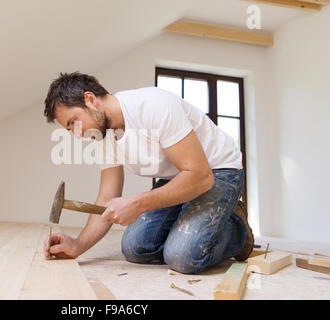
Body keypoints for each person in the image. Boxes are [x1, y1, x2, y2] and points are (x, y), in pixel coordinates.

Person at [43, 72, 253, 274]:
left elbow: (201, 176)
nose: (77, 135)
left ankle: (236, 228)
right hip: (177, 177)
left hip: (216, 172)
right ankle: (191, 222)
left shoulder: (153, 105)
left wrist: (137, 203)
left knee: (182, 256)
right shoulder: (103, 135)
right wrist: (78, 246)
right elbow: (107, 198)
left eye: (74, 123)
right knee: (135, 248)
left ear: (90, 99)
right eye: (70, 130)